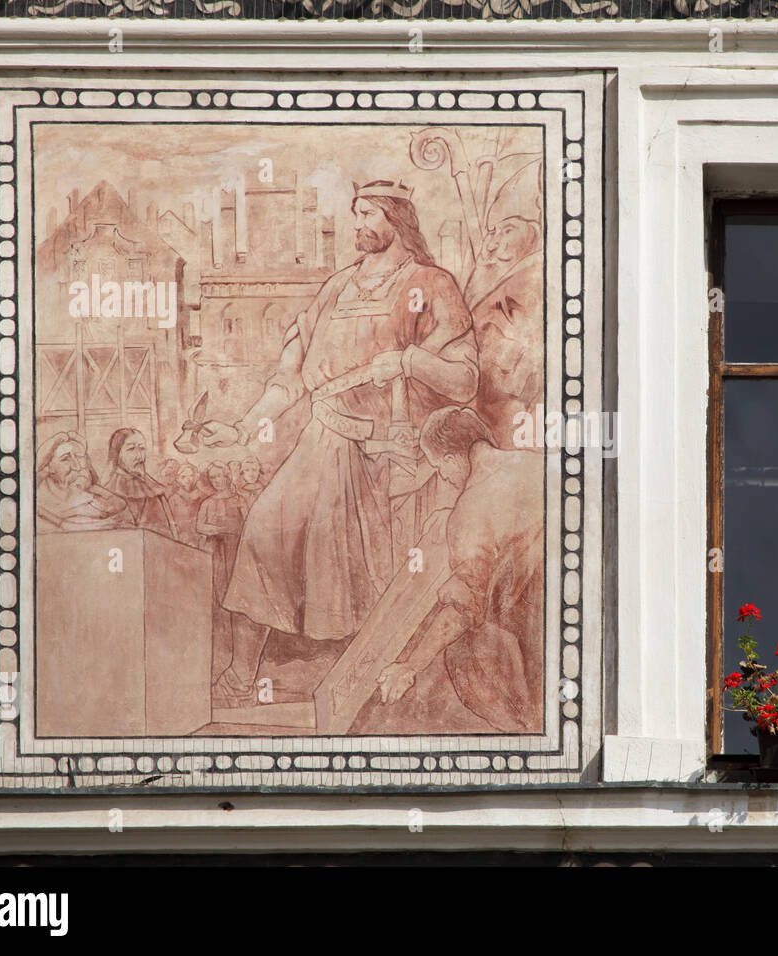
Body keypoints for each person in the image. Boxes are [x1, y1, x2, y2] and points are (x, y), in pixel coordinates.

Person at [198, 178, 480, 705]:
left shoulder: (430, 284)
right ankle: (240, 679)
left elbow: (466, 381)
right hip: (321, 438)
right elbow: (292, 375)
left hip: (391, 454)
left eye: (369, 213)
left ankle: (365, 691)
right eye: (355, 214)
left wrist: (409, 360)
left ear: (397, 219)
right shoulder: (336, 288)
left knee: (369, 579)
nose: (358, 225)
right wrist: (241, 426)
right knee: (264, 534)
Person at [357, 405, 543, 734]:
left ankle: (524, 730)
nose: (443, 476)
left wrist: (409, 666)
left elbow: (463, 605)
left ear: (452, 458)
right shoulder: (537, 465)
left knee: (463, 653)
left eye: (438, 466)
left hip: (535, 628)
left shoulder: (469, 511)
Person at [463, 158, 545, 447]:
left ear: (533, 231)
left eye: (507, 229)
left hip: (515, 404)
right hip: (487, 401)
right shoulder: (494, 276)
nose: (495, 241)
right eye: (493, 232)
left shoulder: (533, 276)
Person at [196, 461, 248, 690]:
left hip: (237, 551)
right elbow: (200, 526)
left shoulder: (239, 500)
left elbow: (249, 524)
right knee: (217, 602)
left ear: (228, 476)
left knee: (236, 603)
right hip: (216, 552)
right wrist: (218, 530)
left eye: (221, 476)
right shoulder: (208, 503)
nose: (218, 480)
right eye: (214, 477)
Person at [36, 431, 132, 532]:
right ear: (49, 467)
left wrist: (91, 486)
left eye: (79, 457)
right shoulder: (40, 503)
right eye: (65, 459)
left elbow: (121, 510)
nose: (77, 465)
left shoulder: (93, 498)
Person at [105, 427, 179, 540]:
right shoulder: (108, 493)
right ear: (117, 453)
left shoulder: (156, 491)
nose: (139, 456)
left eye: (142, 448)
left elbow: (171, 534)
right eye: (131, 449)